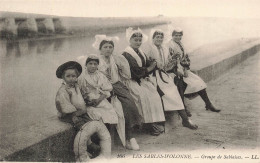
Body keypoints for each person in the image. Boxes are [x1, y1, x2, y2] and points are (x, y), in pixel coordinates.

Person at [92, 35, 142, 150]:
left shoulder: (115, 59)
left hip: (116, 85)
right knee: (115, 108)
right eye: (105, 47)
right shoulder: (96, 61)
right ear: (100, 49)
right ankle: (121, 138)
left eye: (110, 47)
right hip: (102, 88)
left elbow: (126, 75)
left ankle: (130, 137)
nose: (108, 49)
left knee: (129, 104)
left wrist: (120, 69)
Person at [145, 28, 198, 130]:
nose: (159, 39)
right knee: (166, 93)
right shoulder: (149, 49)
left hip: (164, 76)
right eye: (157, 37)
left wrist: (174, 60)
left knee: (175, 92)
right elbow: (148, 66)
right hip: (153, 76)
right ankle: (165, 121)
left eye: (161, 37)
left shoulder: (164, 49)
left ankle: (185, 120)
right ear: (153, 38)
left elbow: (166, 65)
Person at [55, 61, 107, 159]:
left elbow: (81, 96)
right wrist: (73, 114)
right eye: (68, 76)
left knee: (91, 122)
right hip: (70, 115)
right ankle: (86, 147)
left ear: (77, 76)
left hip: (80, 112)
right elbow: (63, 104)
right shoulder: (63, 90)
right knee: (81, 127)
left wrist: (86, 99)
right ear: (63, 77)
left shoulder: (76, 86)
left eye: (74, 76)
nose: (71, 79)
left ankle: (90, 144)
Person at [121, 27, 165, 136]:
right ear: (130, 40)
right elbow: (136, 72)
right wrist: (150, 67)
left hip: (141, 79)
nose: (138, 42)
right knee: (144, 97)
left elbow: (149, 63)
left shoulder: (140, 52)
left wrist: (150, 66)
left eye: (140, 40)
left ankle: (154, 122)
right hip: (132, 81)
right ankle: (148, 125)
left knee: (154, 94)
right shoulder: (127, 54)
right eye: (135, 40)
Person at [167, 27, 220, 112]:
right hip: (174, 71)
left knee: (199, 83)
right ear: (172, 35)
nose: (178, 37)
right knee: (180, 85)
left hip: (183, 70)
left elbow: (186, 57)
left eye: (180, 35)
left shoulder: (180, 44)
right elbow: (170, 60)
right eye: (176, 35)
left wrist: (186, 67)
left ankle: (208, 104)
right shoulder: (170, 45)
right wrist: (180, 69)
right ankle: (183, 108)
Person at [77, 55, 119, 124]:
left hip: (100, 98)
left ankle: (111, 133)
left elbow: (107, 90)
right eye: (90, 63)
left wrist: (98, 99)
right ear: (86, 64)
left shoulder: (100, 75)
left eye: (95, 64)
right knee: (96, 114)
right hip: (88, 101)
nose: (93, 66)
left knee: (111, 110)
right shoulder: (82, 77)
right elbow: (79, 92)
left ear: (97, 65)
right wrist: (86, 100)